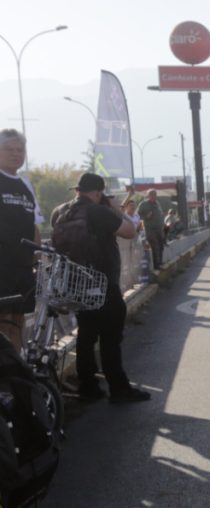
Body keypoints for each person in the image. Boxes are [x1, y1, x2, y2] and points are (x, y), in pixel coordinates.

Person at [51, 173, 149, 403]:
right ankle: (119, 388)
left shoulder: (60, 211)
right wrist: (115, 208)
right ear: (98, 192)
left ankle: (88, 386)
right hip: (102, 281)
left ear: (78, 189)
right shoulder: (98, 211)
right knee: (110, 337)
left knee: (86, 334)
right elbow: (130, 231)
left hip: (74, 282)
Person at [0, 129, 43, 352]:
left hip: (23, 269)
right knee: (2, 323)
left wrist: (36, 259)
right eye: (9, 149)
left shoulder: (26, 185)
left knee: (17, 323)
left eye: (20, 150)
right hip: (2, 268)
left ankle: (17, 381)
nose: (15, 154)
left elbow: (34, 225)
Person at [137, 189, 165, 269]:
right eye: (151, 194)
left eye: (155, 194)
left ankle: (160, 262)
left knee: (161, 246)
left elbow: (160, 214)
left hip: (159, 229)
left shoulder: (157, 204)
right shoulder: (143, 204)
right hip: (150, 229)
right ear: (148, 196)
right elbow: (138, 215)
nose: (153, 196)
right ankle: (157, 265)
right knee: (155, 246)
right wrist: (146, 217)